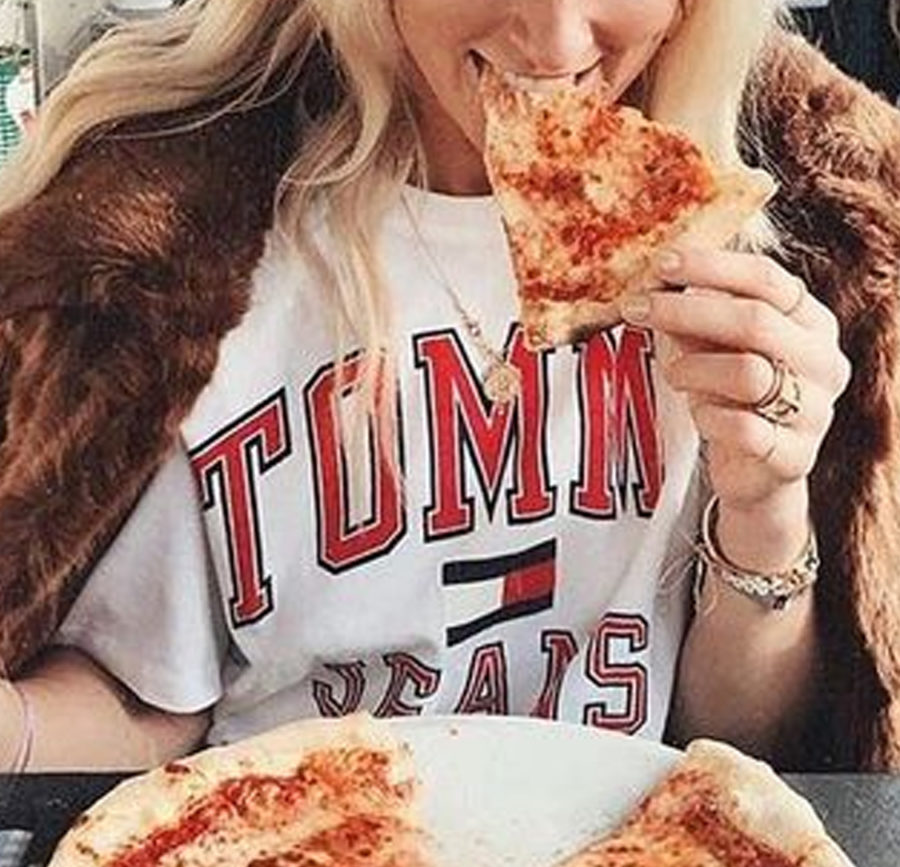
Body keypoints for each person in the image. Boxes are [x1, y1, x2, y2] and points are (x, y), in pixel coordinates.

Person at [0, 0, 898, 773]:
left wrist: (766, 505)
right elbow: (147, 702)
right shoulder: (192, 258)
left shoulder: (751, 248)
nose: (555, 41)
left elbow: (741, 747)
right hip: (293, 865)